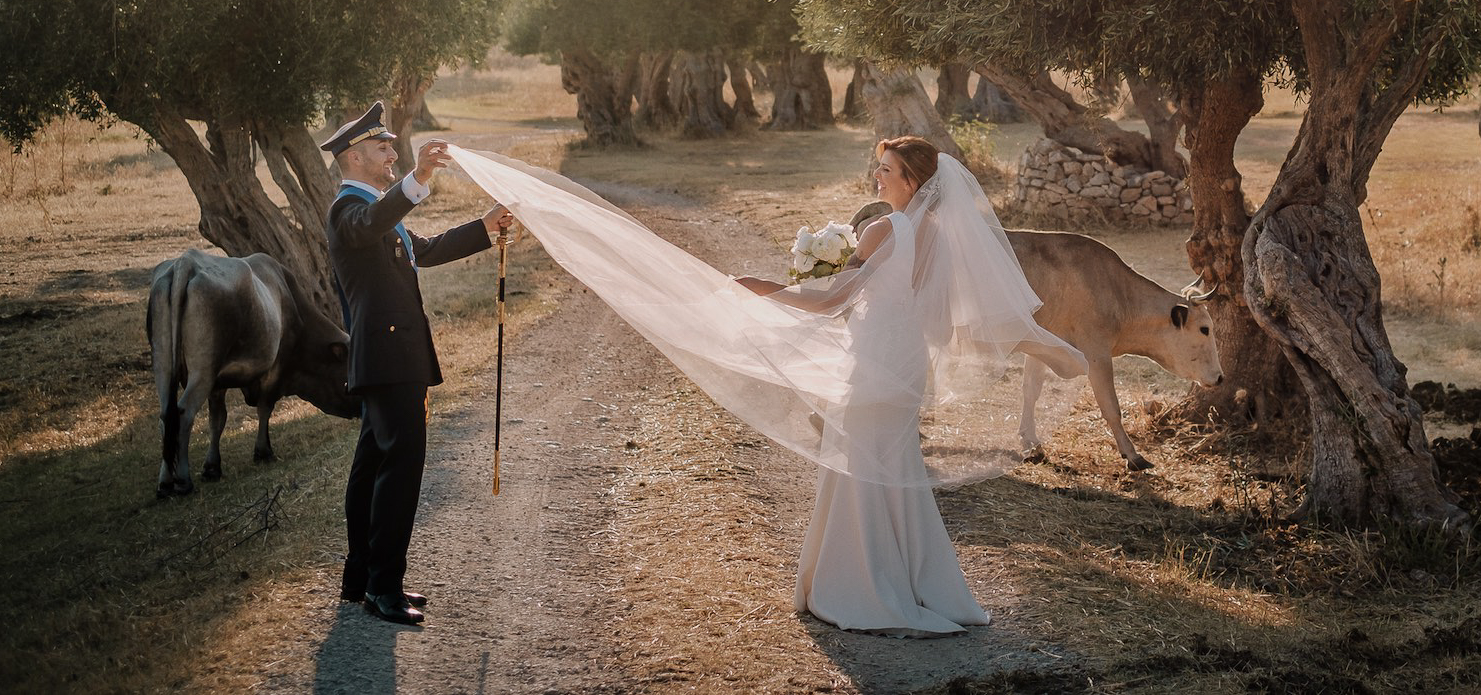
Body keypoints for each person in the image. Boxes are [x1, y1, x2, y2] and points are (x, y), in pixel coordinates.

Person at [443, 133, 1085, 637]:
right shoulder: (932, 234)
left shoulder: (888, 228)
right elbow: (896, 301)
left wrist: (771, 291)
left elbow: (835, 297)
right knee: (885, 466)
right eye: (877, 169)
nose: (877, 178)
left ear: (913, 180)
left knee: (864, 467)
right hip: (900, 360)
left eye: (886, 171)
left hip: (875, 362)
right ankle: (908, 583)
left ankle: (867, 591)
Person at [321, 101, 513, 626]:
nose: (392, 153)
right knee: (399, 471)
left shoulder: (376, 210)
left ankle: (361, 578)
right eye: (383, 147)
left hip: (388, 360)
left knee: (371, 470)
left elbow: (423, 250)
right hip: (389, 360)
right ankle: (385, 587)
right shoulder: (348, 211)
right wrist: (419, 176)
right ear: (356, 156)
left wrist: (485, 225)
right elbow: (370, 224)